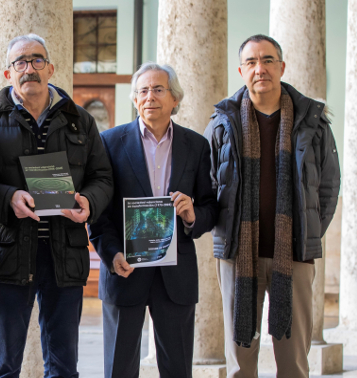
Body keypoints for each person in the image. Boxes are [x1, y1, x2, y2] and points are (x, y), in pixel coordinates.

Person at [204, 34, 341, 378]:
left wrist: (306, 232)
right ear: (241, 70)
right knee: (239, 360)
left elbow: (328, 187)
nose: (259, 68)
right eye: (251, 62)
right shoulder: (223, 122)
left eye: (267, 60)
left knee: (293, 362)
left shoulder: (313, 121)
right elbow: (208, 184)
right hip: (238, 254)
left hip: (293, 255)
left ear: (282, 66)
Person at [0, 34, 113, 378]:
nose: (29, 69)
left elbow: (102, 177)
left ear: (50, 68)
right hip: (8, 252)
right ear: (8, 73)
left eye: (37, 60)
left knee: (64, 366)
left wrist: (88, 202)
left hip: (63, 253)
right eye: (20, 62)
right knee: (3, 365)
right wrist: (8, 196)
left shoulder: (80, 120)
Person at [89, 62, 218, 378]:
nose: (150, 97)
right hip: (125, 269)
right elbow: (99, 213)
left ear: (175, 98)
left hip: (176, 276)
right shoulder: (109, 143)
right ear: (135, 99)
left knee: (177, 370)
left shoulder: (196, 146)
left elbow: (211, 209)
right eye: (142, 91)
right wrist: (112, 254)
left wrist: (192, 215)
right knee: (119, 369)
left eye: (158, 89)